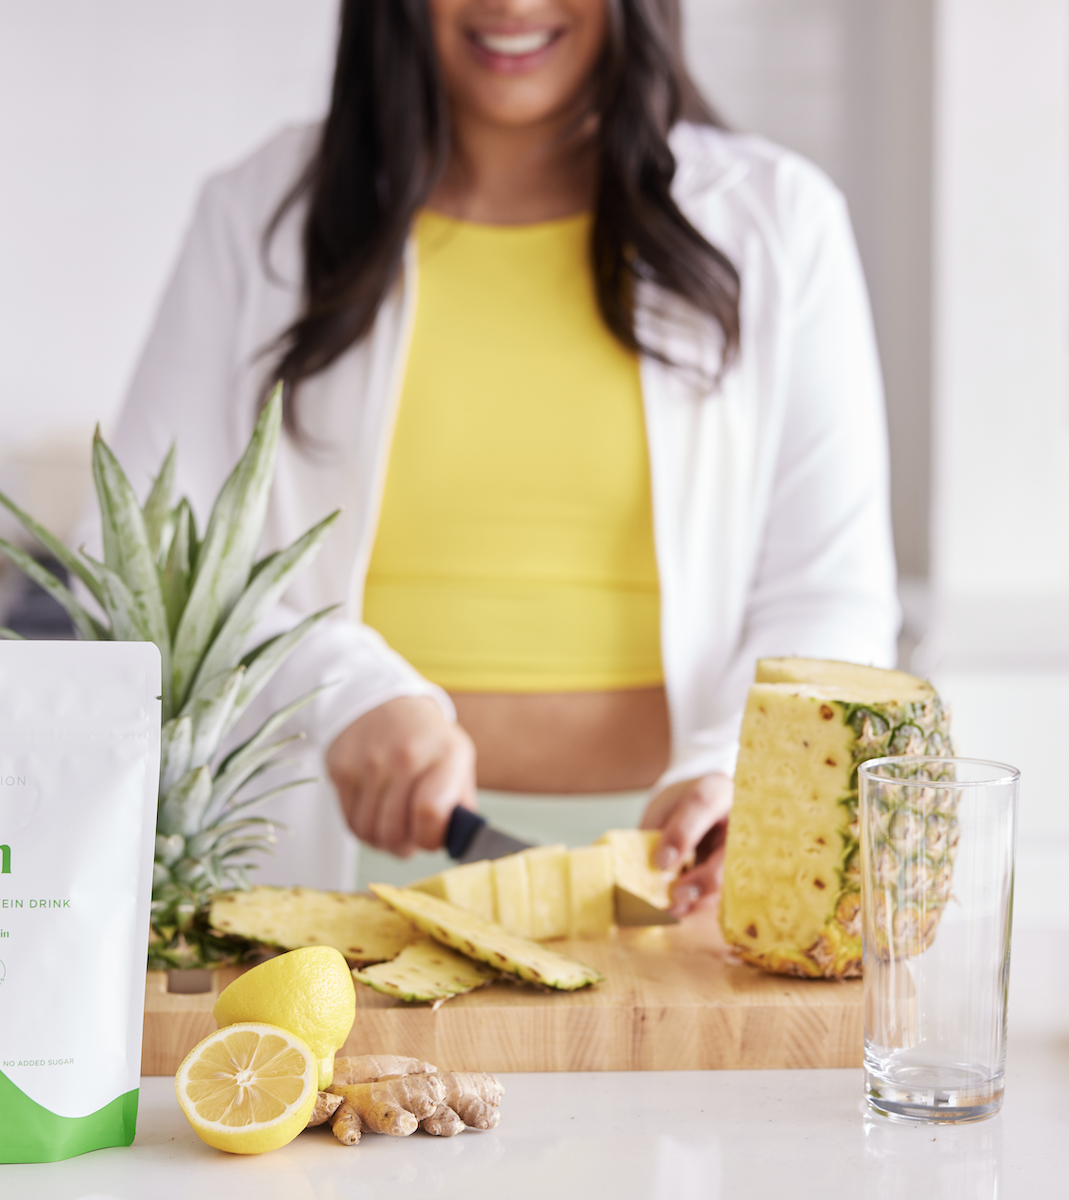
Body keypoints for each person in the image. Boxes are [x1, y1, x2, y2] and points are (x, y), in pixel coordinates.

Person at [100, 0, 898, 917]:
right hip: (339, 875)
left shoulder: (782, 219)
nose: (513, 5)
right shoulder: (256, 215)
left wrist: (734, 773)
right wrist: (342, 693)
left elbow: (828, 589)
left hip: (671, 890)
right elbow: (139, 565)